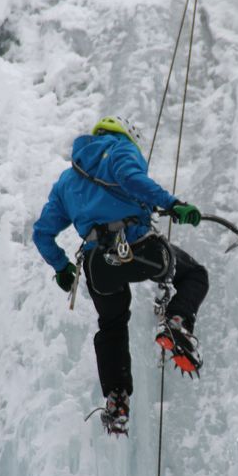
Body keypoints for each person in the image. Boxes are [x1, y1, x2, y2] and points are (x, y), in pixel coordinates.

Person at [33, 116, 209, 434]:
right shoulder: (118, 149)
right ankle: (177, 323)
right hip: (137, 248)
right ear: (123, 134)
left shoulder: (66, 182)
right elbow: (131, 178)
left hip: (97, 265)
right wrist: (173, 204)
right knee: (194, 274)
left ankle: (117, 399)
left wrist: (61, 267)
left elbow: (42, 234)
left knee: (112, 325)